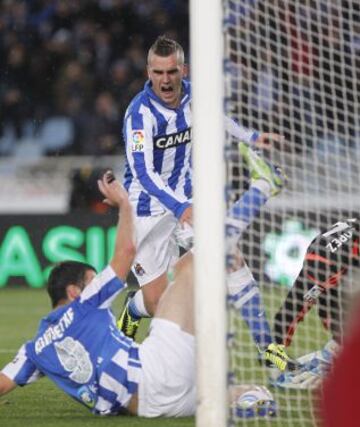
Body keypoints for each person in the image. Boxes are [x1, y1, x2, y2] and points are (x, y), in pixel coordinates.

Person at [0, 171, 276, 418]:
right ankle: (263, 186)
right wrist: (124, 206)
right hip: (156, 372)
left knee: (230, 390)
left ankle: (249, 397)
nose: (96, 284)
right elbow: (126, 253)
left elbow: (3, 384)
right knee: (194, 261)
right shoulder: (84, 304)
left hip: (150, 408)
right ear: (74, 291)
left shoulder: (35, 349)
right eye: (91, 280)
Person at [118, 35, 296, 371]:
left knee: (229, 257)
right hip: (147, 208)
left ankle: (269, 351)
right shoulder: (138, 115)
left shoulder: (194, 93)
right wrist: (179, 207)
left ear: (182, 69)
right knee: (160, 302)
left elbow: (218, 119)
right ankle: (134, 307)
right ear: (148, 71)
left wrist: (253, 137)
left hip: (188, 198)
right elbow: (143, 172)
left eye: (172, 71)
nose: (165, 80)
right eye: (158, 72)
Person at [272, 218, 360, 389]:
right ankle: (335, 353)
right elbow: (293, 308)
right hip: (330, 272)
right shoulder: (324, 263)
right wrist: (274, 354)